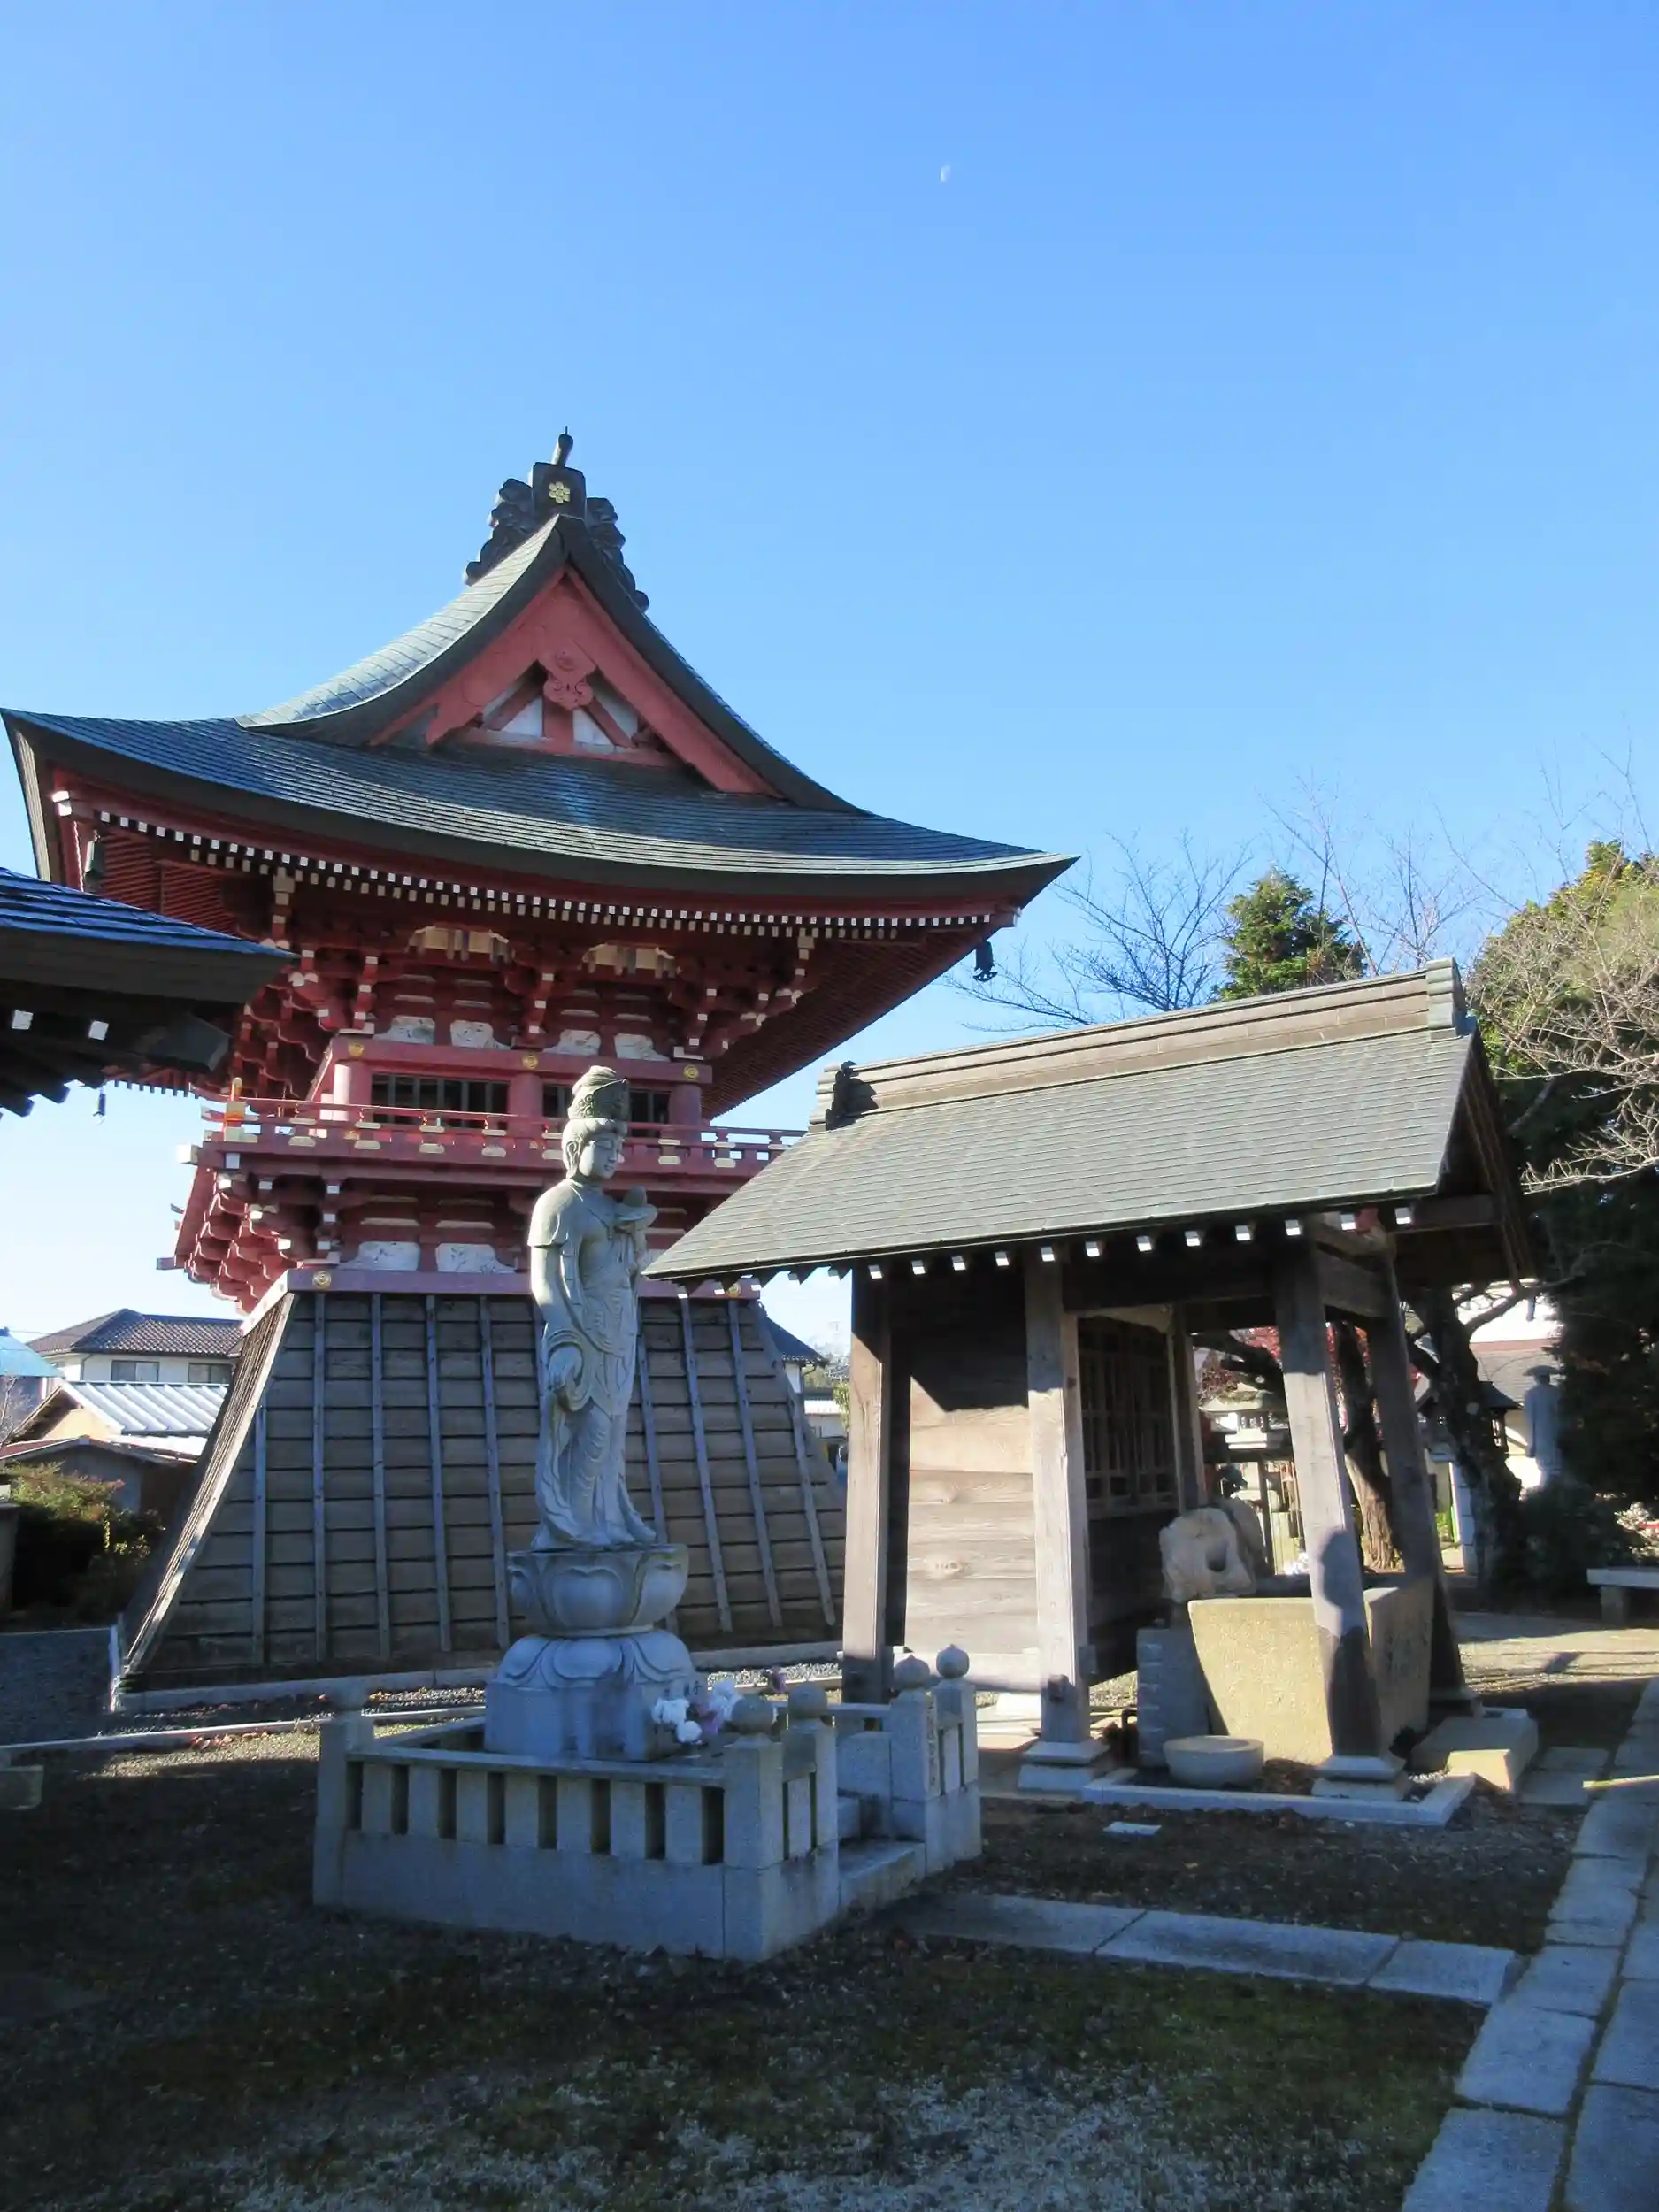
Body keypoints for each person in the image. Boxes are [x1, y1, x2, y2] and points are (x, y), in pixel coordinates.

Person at [526, 1065, 657, 1549]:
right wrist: (563, 1341)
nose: (613, 1156)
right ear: (575, 1148)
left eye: (618, 1148)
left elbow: (628, 1271)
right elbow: (545, 1281)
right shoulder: (559, 1204)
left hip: (618, 1334)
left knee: (614, 1437)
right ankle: (574, 1525)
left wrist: (636, 1240)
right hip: (581, 1333)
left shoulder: (611, 1207)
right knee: (591, 1431)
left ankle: (611, 1519)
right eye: (603, 1146)